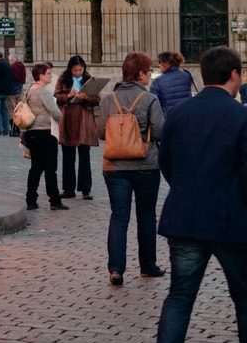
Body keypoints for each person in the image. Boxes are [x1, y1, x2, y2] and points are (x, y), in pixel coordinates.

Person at [151, 48, 247, 343]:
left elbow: (167, 161)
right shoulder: (241, 117)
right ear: (235, 75)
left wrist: (186, 190)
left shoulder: (179, 112)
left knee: (179, 295)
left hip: (185, 215)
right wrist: (244, 205)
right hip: (228, 219)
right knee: (246, 296)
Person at [101, 53, 165, 286]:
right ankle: (147, 265)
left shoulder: (108, 100)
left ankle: (116, 268)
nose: (150, 75)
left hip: (114, 165)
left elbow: (101, 132)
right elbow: (159, 131)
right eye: (148, 71)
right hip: (146, 164)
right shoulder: (149, 100)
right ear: (140, 74)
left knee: (119, 216)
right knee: (146, 215)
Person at [21, 63, 65, 211]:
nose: (51, 75)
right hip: (45, 131)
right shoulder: (42, 92)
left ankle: (31, 199)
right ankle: (54, 199)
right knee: (50, 168)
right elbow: (56, 113)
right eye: (48, 73)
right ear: (40, 75)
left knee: (36, 168)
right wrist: (59, 113)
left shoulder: (29, 89)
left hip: (32, 132)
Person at [56, 55, 100, 201]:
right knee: (68, 156)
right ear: (70, 69)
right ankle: (68, 189)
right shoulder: (63, 78)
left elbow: (97, 99)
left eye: (80, 70)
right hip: (68, 119)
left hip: (83, 120)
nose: (77, 72)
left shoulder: (88, 78)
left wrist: (86, 97)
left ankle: (86, 189)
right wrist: (68, 95)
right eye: (75, 70)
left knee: (84, 156)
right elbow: (56, 95)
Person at [151, 52, 195, 119]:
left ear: (166, 63)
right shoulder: (186, 75)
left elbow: (153, 104)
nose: (159, 65)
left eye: (160, 62)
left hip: (168, 119)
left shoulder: (157, 81)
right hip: (186, 116)